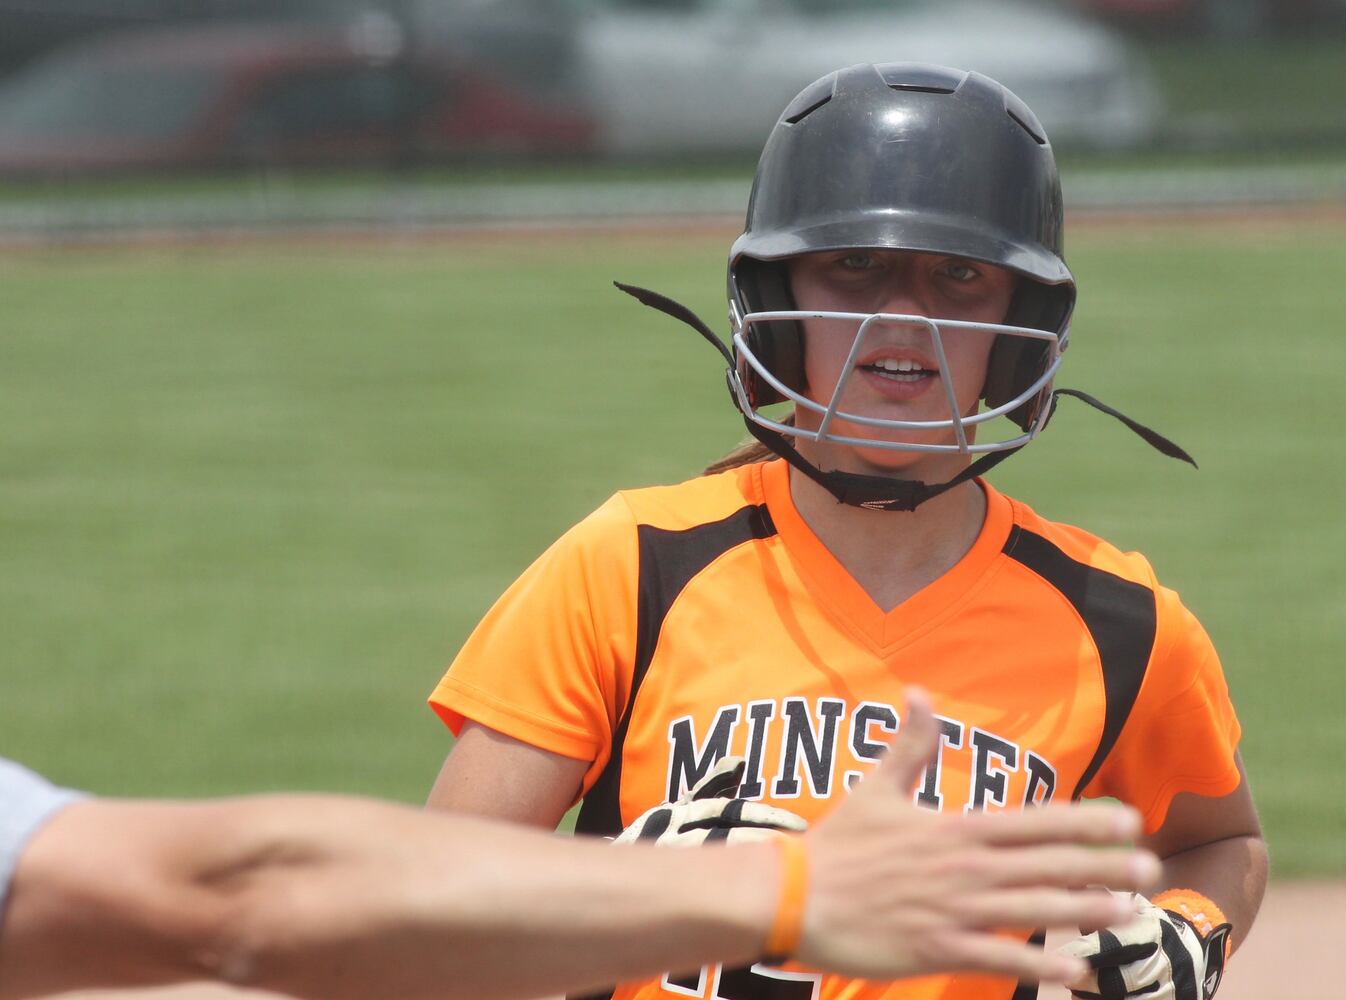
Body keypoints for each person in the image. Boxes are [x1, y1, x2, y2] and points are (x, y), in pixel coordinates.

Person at [425, 63, 1268, 1000]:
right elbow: (423, 906)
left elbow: (1221, 840)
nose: (902, 318)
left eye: (960, 276)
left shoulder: (1117, 621)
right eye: (853, 265)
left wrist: (1191, 933)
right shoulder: (633, 565)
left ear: (1020, 327)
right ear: (777, 307)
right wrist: (621, 893)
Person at [0, 691, 1160, 999]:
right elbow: (250, 904)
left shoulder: (1119, 612)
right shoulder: (637, 557)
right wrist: (779, 885)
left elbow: (256, 903)